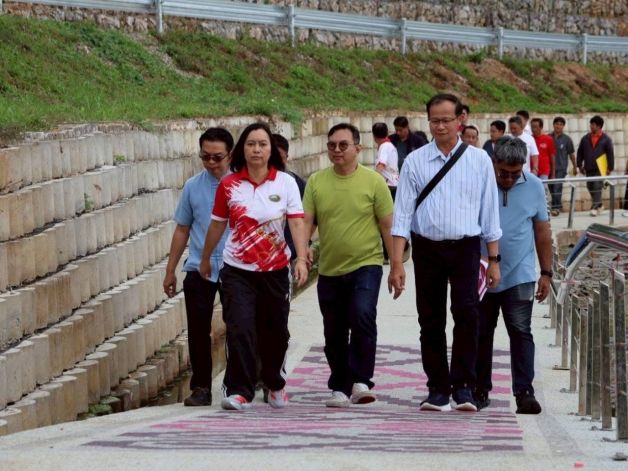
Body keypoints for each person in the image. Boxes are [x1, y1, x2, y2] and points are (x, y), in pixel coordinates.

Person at [390, 93, 502, 412]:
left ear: (460, 120)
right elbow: (402, 216)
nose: (440, 126)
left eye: (446, 120)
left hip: (466, 247)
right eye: (434, 121)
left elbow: (489, 214)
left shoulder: (479, 160)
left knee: (467, 315)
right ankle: (437, 388)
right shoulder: (415, 161)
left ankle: (464, 386)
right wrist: (396, 263)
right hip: (426, 248)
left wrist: (494, 260)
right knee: (430, 318)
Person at [199, 122, 309, 411]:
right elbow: (217, 224)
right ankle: (240, 390)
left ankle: (274, 383)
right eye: (251, 144)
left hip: (275, 269)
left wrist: (301, 258)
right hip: (237, 270)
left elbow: (297, 222)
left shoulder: (285, 183)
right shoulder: (229, 185)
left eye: (262, 144)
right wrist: (205, 258)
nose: (256, 149)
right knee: (240, 327)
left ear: (271, 149)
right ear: (242, 149)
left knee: (276, 331)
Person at [303, 122, 396, 408]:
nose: (337, 150)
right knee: (334, 330)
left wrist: (396, 265)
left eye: (343, 145)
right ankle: (339, 385)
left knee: (362, 314)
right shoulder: (316, 182)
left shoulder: (374, 181)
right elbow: (307, 222)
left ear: (358, 148)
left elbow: (387, 225)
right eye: (332, 145)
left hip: (367, 263)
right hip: (330, 268)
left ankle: (361, 380)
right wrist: (302, 252)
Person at [475, 136, 551, 415]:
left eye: (515, 174)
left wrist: (546, 272)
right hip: (482, 274)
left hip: (520, 274)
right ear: (493, 162)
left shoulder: (534, 186)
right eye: (503, 172)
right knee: (480, 332)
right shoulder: (479, 183)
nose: (508, 179)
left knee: (520, 331)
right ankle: (479, 389)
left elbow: (542, 231)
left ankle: (524, 392)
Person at [162, 127, 234, 407]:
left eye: (217, 157)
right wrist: (170, 269)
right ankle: (201, 387)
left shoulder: (242, 184)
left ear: (230, 154)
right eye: (205, 157)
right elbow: (182, 228)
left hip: (235, 267)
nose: (211, 163)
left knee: (239, 326)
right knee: (198, 330)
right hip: (198, 267)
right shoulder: (192, 186)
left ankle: (239, 382)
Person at [273, 133, 306, 262]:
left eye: (279, 157)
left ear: (286, 157)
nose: (275, 162)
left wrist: (300, 251)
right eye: (272, 157)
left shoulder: (296, 184)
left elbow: (307, 218)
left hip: (288, 253)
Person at [577, 115, 615, 217]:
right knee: (590, 186)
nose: (591, 126)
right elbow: (580, 152)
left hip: (600, 168)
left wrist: (610, 168)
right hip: (588, 167)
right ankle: (600, 205)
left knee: (597, 187)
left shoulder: (606, 139)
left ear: (599, 126)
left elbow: (610, 154)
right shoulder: (585, 138)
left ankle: (594, 208)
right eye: (591, 124)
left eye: (593, 124)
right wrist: (579, 165)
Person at [549, 117, 576, 217]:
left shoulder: (567, 139)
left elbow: (571, 154)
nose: (558, 126)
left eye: (561, 124)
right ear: (553, 125)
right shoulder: (548, 137)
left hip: (561, 168)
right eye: (557, 124)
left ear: (563, 126)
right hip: (549, 168)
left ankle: (555, 208)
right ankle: (558, 205)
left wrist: (575, 166)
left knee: (557, 187)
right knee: (551, 188)